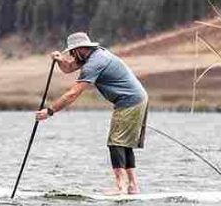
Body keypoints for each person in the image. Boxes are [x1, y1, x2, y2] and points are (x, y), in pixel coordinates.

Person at [35, 31, 149, 194]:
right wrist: (60, 60)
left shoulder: (94, 63)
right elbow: (68, 68)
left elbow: (72, 94)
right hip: (137, 98)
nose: (72, 56)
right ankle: (133, 186)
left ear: (80, 49)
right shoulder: (94, 55)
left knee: (115, 143)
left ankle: (121, 186)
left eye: (73, 52)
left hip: (129, 101)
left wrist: (50, 111)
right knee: (124, 144)